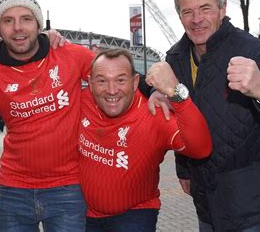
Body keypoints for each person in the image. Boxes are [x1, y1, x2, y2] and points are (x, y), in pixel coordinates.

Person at [149, 0, 260, 232]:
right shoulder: (176, 57)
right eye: (187, 12)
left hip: (251, 196)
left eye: (205, 8)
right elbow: (182, 118)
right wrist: (184, 169)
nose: (196, 19)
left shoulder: (254, 50)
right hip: (205, 195)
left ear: (223, 8)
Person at [0, 0, 96, 232]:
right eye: (8, 21)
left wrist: (155, 90)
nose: (18, 28)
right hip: (14, 191)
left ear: (38, 24)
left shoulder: (70, 55)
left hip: (67, 188)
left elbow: (115, 76)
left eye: (26, 19)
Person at [79, 48, 212, 232]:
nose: (111, 90)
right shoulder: (80, 102)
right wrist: (49, 37)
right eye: (102, 81)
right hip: (85, 214)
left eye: (120, 80)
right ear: (91, 84)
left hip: (136, 213)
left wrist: (178, 96)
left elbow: (201, 148)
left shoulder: (155, 113)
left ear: (135, 82)